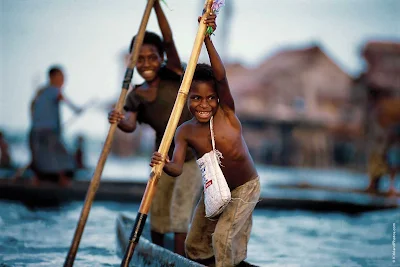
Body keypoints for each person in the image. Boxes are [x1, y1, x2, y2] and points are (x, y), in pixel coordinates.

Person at [149, 13, 260, 267]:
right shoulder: (184, 131)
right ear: (187, 99)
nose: (203, 104)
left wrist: (208, 38)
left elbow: (220, 76)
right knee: (194, 244)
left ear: (219, 98)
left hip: (244, 188)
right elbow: (177, 168)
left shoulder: (226, 112)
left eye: (210, 97)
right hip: (215, 191)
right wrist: (163, 162)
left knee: (222, 238)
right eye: (196, 98)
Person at [108, 0, 216, 256]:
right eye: (140, 59)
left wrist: (156, 5)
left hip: (191, 155)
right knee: (156, 211)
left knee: (179, 214)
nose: (146, 63)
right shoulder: (135, 94)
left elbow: (167, 39)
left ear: (161, 58)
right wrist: (118, 119)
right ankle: (155, 254)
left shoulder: (172, 72)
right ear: (133, 61)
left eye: (152, 57)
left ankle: (178, 259)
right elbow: (130, 125)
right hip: (162, 157)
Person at [30, 66, 81, 186]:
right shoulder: (54, 90)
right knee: (60, 155)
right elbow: (63, 99)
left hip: (37, 130)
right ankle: (62, 180)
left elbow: (32, 107)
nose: (63, 80)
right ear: (52, 77)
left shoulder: (41, 92)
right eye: (61, 77)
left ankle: (37, 180)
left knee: (41, 155)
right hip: (48, 131)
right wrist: (76, 110)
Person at [386, 124, 400, 196]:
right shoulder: (395, 127)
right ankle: (391, 187)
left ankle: (392, 187)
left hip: (394, 149)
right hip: (394, 149)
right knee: (393, 168)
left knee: (394, 168)